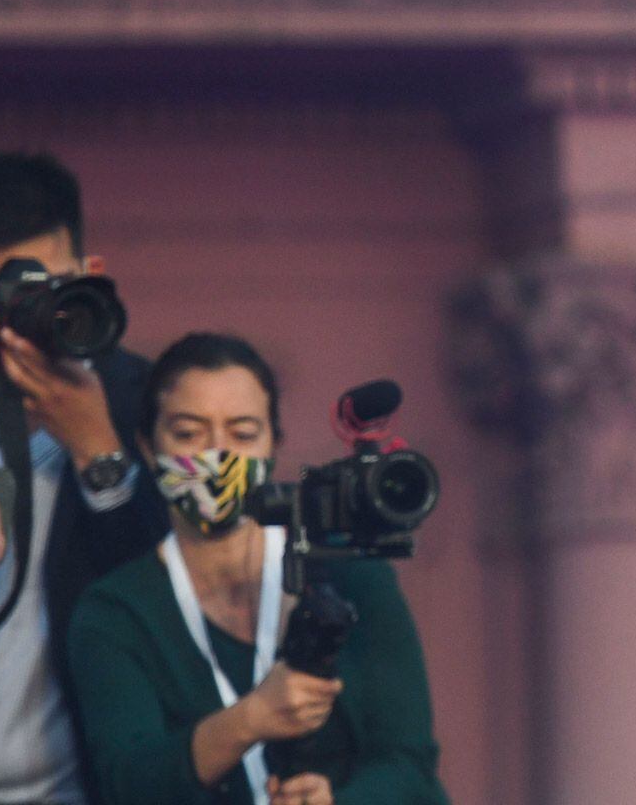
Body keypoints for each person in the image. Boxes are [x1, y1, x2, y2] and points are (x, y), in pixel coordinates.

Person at [65, 333, 448, 805]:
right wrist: (249, 719)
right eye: (188, 433)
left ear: (272, 444)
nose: (218, 454)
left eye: (243, 433)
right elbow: (129, 783)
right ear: (147, 445)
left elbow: (409, 764)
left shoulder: (353, 577)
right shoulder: (115, 612)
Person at [0, 151, 167, 805]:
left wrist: (98, 450)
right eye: (6, 294)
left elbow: (171, 614)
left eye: (47, 286)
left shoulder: (143, 399)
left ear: (89, 275)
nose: (29, 312)